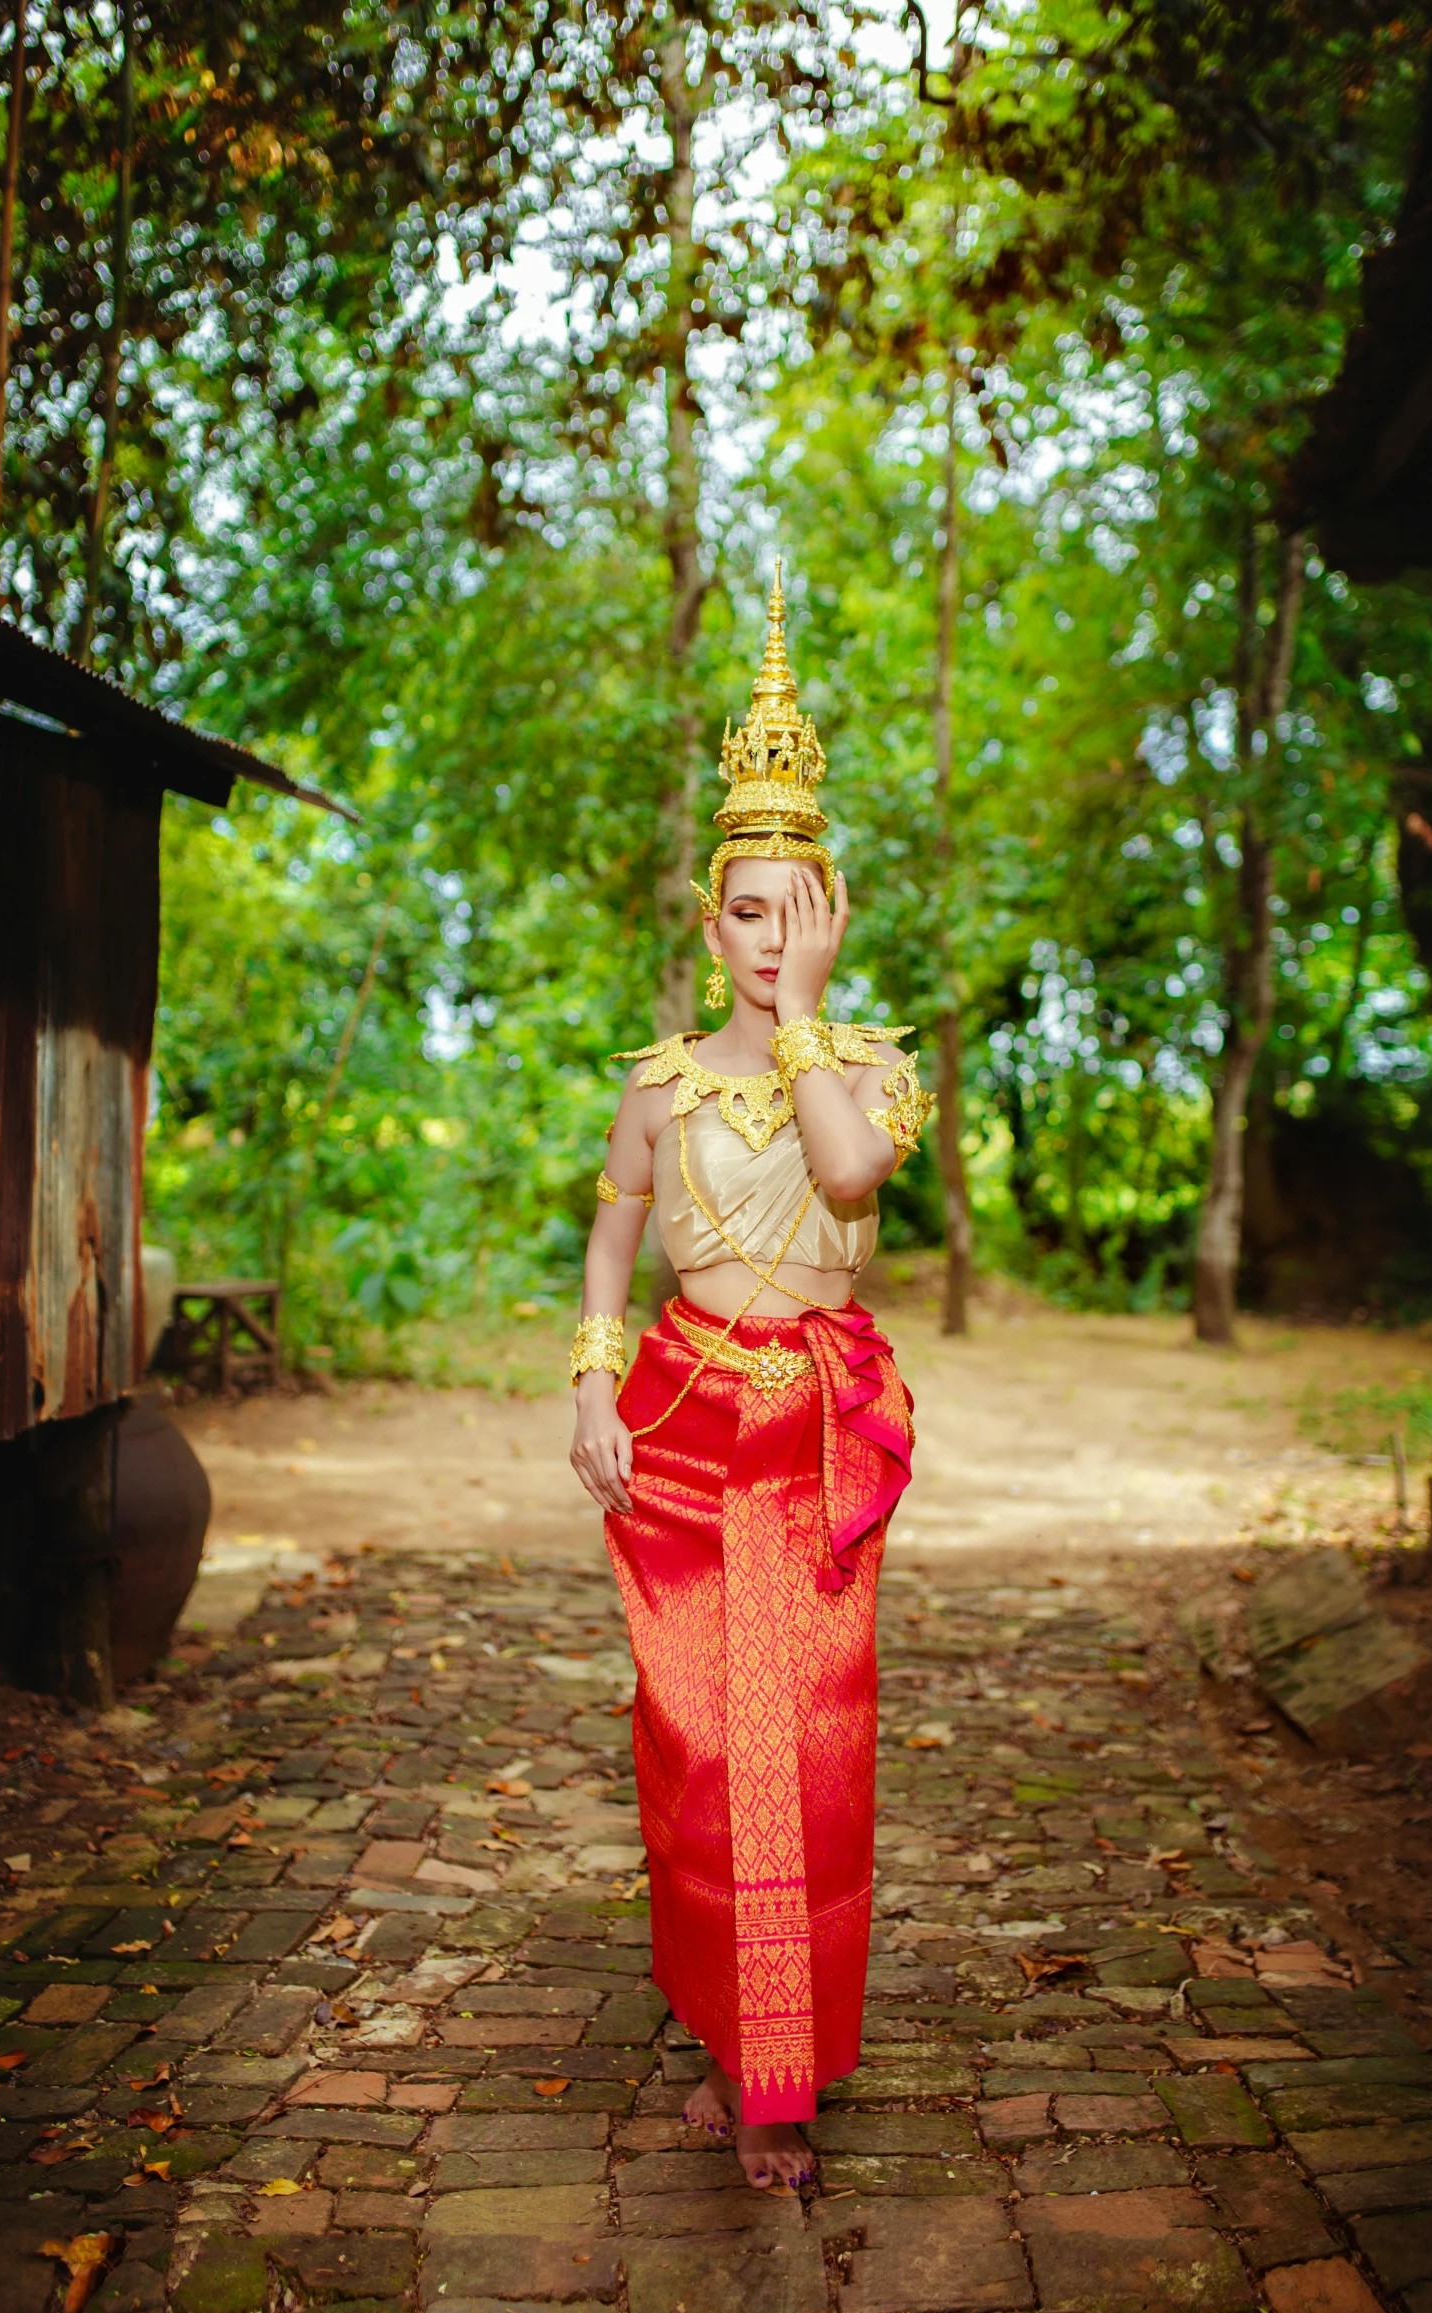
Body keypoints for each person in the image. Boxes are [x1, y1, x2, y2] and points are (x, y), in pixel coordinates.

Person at [567, 563, 933, 2189]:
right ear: (703, 915)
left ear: (830, 913)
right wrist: (588, 1381)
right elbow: (610, 1237)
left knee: (808, 1740)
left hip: (815, 1419)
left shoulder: (867, 1072)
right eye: (742, 907)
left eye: (795, 906)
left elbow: (847, 1183)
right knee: (703, 1741)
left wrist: (801, 1019)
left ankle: (777, 2073)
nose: (765, 934)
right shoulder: (652, 1086)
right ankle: (726, 2024)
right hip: (680, 1417)